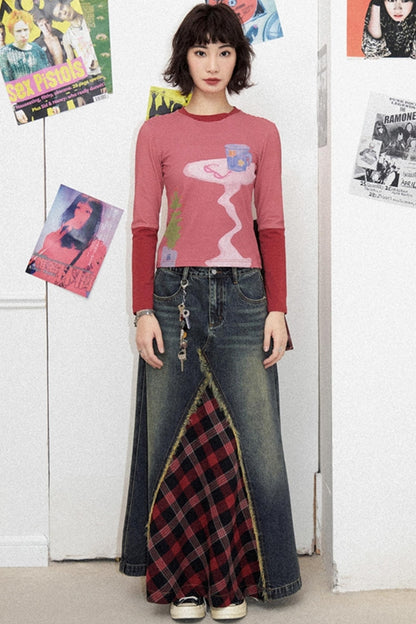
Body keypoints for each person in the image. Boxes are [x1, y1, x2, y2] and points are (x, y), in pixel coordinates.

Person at [119, 3, 301, 621]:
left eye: (225, 52)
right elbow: (145, 228)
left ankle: (237, 581)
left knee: (252, 442)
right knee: (173, 436)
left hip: (246, 297)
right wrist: (142, 310)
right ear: (185, 58)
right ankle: (184, 585)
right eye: (201, 52)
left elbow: (271, 226)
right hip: (172, 297)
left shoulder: (262, 133)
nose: (213, 64)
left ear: (238, 59)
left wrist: (278, 309)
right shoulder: (156, 134)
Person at [26, 194, 106, 297]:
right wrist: (62, 231)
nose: (80, 214)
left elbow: (87, 282)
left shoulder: (97, 247)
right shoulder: (56, 235)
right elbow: (39, 259)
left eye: (87, 212)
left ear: (93, 219)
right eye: (78, 208)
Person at [43, 0, 101, 75]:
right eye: (60, 14)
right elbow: (72, 64)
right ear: (60, 19)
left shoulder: (92, 18)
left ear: (67, 3)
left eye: (62, 7)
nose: (64, 12)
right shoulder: (67, 37)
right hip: (93, 75)